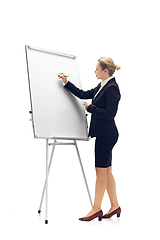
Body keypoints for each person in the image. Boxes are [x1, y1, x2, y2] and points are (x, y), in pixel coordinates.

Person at [58, 57, 121, 221]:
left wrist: (90, 107)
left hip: (107, 134)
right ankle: (115, 206)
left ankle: (96, 209)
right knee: (106, 171)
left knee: (100, 171)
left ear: (105, 71)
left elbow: (110, 114)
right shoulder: (103, 86)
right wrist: (66, 83)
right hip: (104, 134)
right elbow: (83, 94)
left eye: (97, 69)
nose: (95, 71)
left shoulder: (112, 88)